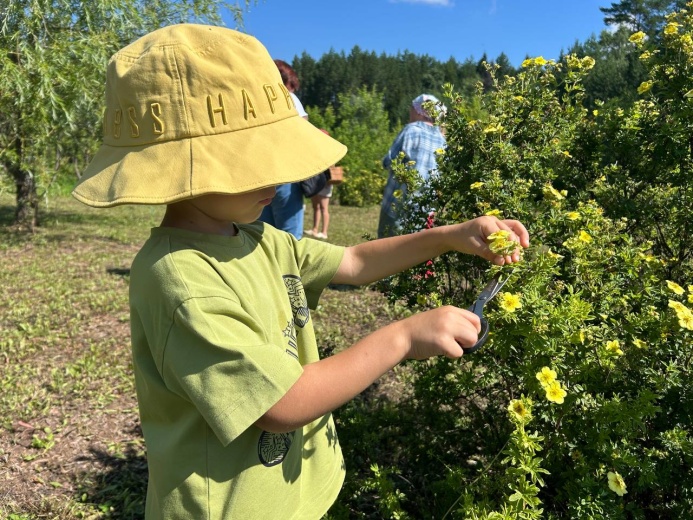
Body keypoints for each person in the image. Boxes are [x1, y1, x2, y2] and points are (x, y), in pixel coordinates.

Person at [71, 24, 529, 520]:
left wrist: (448, 236)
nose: (279, 176)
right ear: (187, 169)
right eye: (254, 161)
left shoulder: (254, 236)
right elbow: (281, 405)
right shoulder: (180, 279)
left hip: (288, 495)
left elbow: (352, 262)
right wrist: (401, 338)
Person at [378, 93, 447, 238]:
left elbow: (389, 161)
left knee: (386, 249)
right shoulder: (442, 139)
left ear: (418, 111)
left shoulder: (411, 130)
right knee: (415, 252)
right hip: (425, 209)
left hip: (397, 204)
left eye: (412, 108)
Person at [258, 59, 309, 239]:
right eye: (291, 85)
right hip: (286, 174)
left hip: (258, 176)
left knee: (262, 236)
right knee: (290, 238)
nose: (293, 90)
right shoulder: (287, 97)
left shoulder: (253, 98)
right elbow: (303, 132)